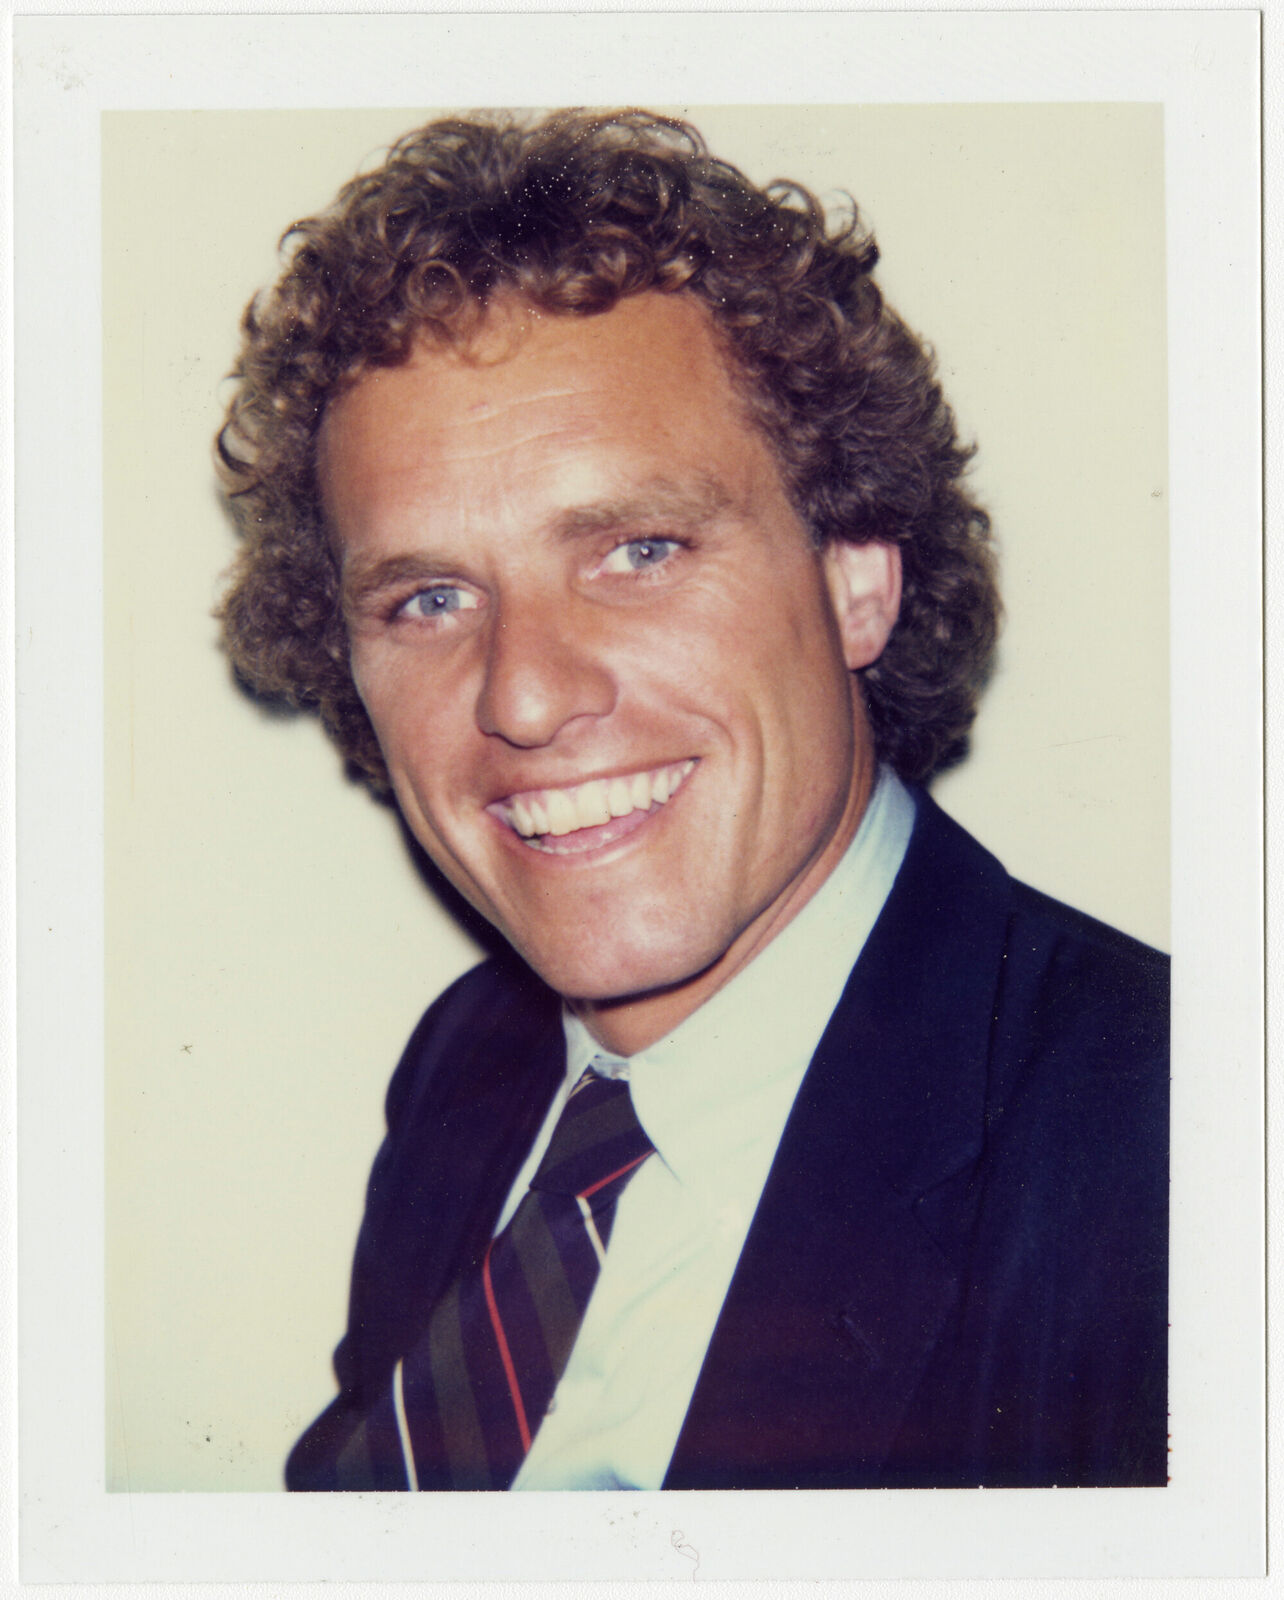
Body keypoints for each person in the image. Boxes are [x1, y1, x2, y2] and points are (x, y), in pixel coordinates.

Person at [216, 109, 1168, 1492]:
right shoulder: (470, 1063)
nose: (524, 698)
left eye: (638, 550)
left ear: (857, 575)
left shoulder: (1178, 1161)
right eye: (428, 598)